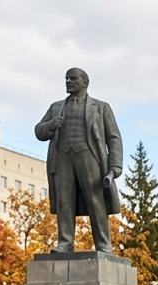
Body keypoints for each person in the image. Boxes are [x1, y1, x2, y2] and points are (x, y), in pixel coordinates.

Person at [33, 67, 123, 254]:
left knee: (95, 201)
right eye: (66, 78)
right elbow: (39, 131)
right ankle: (65, 243)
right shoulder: (56, 107)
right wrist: (50, 125)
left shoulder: (101, 107)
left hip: (89, 157)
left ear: (85, 83)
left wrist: (114, 167)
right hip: (63, 158)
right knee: (64, 201)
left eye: (73, 78)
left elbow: (113, 138)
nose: (68, 81)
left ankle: (103, 244)